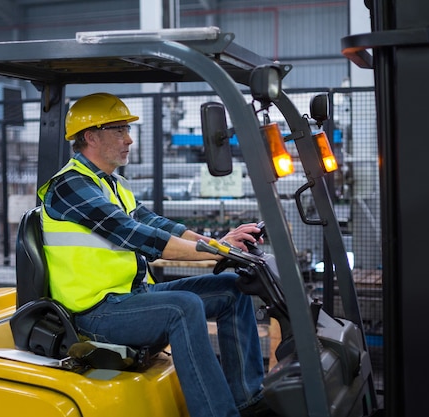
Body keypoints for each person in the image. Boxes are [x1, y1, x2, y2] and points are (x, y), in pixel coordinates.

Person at [38, 92, 269, 417]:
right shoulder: (70, 186)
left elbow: (159, 225)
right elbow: (135, 234)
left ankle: (249, 402)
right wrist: (212, 255)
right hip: (95, 314)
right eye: (119, 130)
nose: (129, 139)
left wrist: (220, 245)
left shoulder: (113, 185)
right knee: (183, 307)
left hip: (129, 298)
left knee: (233, 288)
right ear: (90, 136)